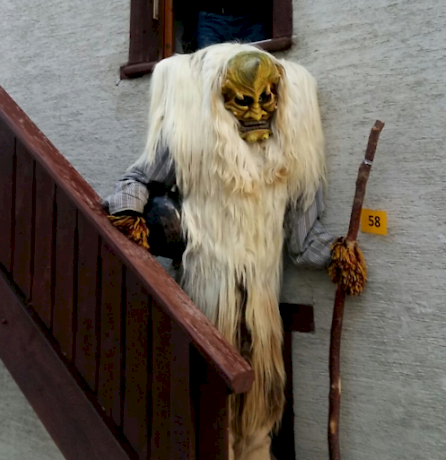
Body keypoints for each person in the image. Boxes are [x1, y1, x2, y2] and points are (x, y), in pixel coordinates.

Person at [106, 44, 366, 460]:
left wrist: (336, 253)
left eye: (268, 98)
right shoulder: (190, 148)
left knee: (259, 409)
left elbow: (301, 241)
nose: (258, 111)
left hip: (260, 305)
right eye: (243, 101)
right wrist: (128, 213)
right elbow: (135, 179)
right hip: (207, 299)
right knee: (213, 408)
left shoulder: (291, 161)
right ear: (222, 100)